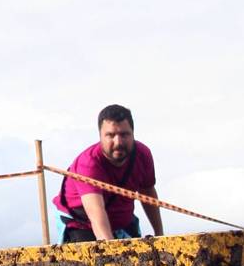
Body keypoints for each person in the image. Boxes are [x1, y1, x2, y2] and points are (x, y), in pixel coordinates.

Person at [53, 104, 163, 243]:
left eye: (124, 134)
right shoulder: (89, 163)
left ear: (133, 134)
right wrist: (113, 254)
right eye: (111, 135)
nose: (118, 142)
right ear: (100, 136)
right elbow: (96, 214)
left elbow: (147, 192)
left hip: (122, 221)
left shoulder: (142, 154)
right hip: (82, 224)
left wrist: (160, 236)